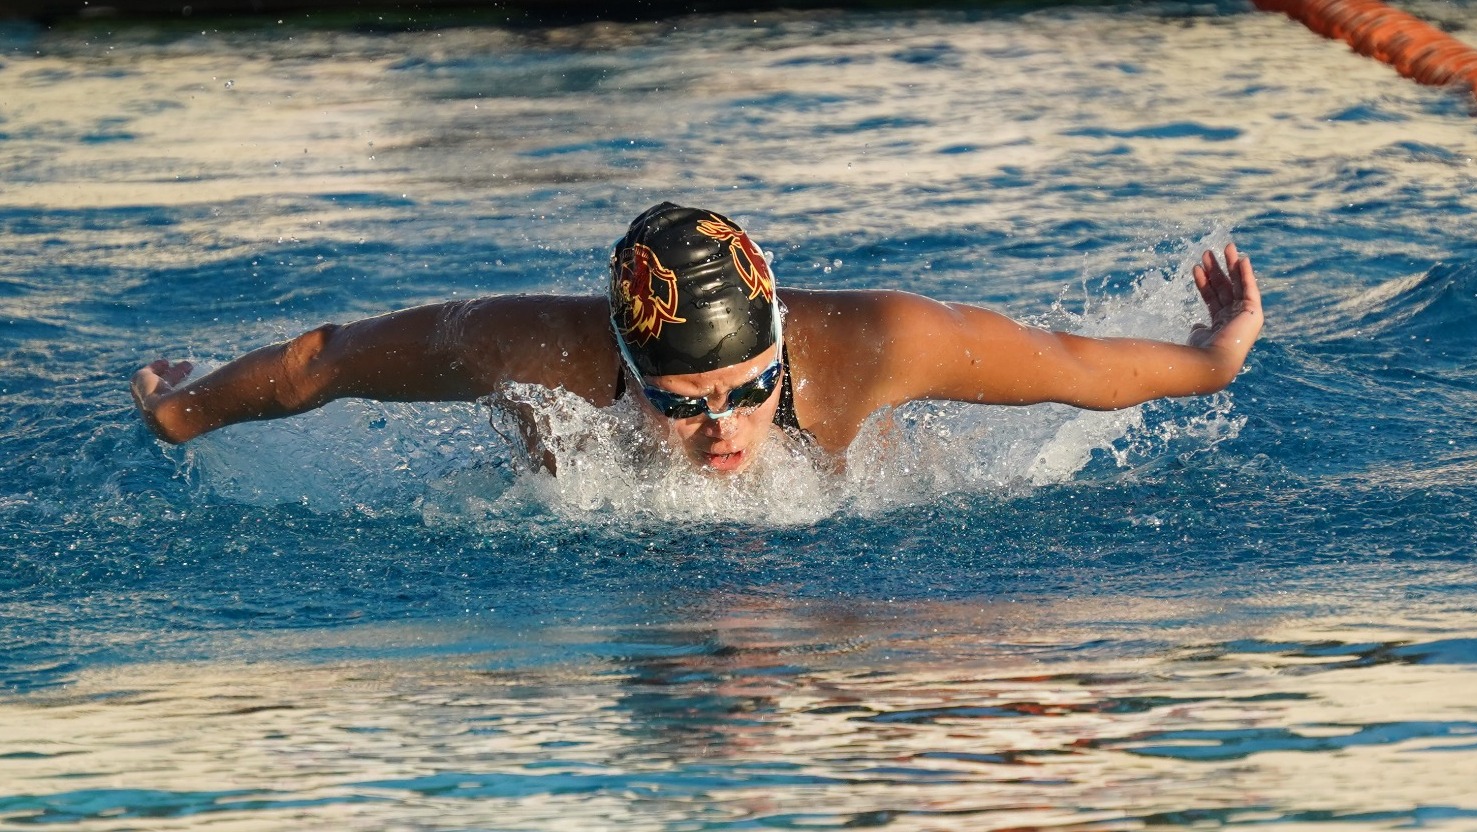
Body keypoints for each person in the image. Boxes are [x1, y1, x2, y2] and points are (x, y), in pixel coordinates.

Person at [132, 202, 1263, 474]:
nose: (721, 432)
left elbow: (1079, 370)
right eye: (681, 404)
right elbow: (325, 361)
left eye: (746, 390)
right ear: (624, 372)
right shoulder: (530, 348)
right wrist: (180, 409)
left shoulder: (878, 342)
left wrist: (1216, 353)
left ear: (781, 343)